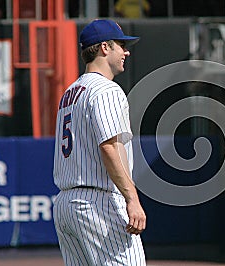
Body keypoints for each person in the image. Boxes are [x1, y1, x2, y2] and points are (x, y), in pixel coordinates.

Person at [52, 19, 146, 265]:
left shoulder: (70, 93)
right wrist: (132, 199)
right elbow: (109, 146)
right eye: (121, 45)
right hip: (98, 202)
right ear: (105, 47)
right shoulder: (106, 90)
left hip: (65, 204)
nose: (125, 51)